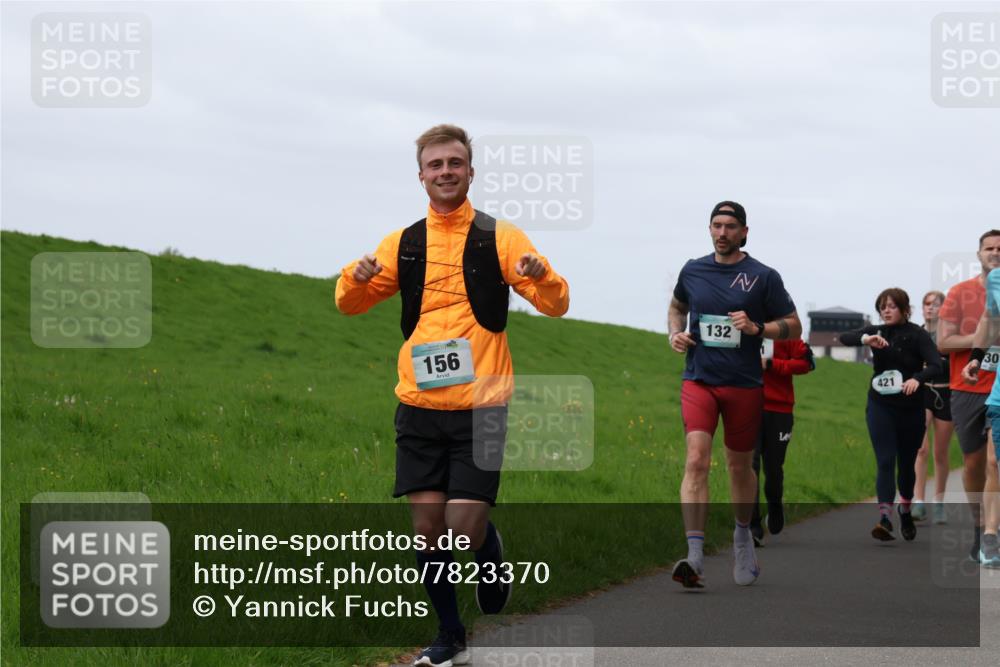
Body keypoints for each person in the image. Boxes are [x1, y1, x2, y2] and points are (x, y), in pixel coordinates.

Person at [335, 124, 570, 666]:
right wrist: (357, 274)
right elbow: (350, 303)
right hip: (418, 406)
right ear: (421, 175)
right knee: (427, 530)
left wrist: (542, 274)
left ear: (470, 171)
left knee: (463, 529)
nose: (446, 171)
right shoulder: (403, 242)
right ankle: (449, 635)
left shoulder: (500, 237)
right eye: (435, 164)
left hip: (482, 406)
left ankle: (492, 552)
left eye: (455, 163)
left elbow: (555, 303)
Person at [668, 200, 801, 588]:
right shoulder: (693, 269)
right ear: (709, 229)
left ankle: (743, 536)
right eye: (716, 225)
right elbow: (677, 305)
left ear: (744, 232)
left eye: (730, 226)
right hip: (699, 380)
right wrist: (675, 333)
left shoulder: (763, 276)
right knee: (695, 460)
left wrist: (758, 328)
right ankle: (694, 555)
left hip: (743, 384)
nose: (722, 232)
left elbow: (793, 325)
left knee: (740, 467)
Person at [840, 289, 942, 541]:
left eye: (892, 306)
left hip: (910, 409)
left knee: (906, 466)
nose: (886, 310)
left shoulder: (918, 335)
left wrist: (917, 379)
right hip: (880, 405)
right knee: (885, 460)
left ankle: (905, 510)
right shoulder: (877, 332)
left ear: (905, 309)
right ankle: (884, 519)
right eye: (882, 306)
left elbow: (938, 365)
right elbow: (844, 337)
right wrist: (866, 340)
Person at [938, 230, 1000, 565]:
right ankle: (979, 526)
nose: (995, 253)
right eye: (989, 248)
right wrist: (980, 342)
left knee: (995, 462)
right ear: (979, 255)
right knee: (975, 463)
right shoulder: (960, 293)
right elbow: (943, 343)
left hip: (998, 389)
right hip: (967, 388)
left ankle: (991, 533)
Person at [749, 337, 816, 547]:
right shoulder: (741, 325)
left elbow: (807, 364)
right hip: (747, 405)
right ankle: (752, 525)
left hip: (780, 409)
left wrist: (771, 364)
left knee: (773, 468)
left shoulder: (786, 332)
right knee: (750, 466)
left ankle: (775, 505)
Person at [959, 266, 1000, 567]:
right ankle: (990, 536)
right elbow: (990, 319)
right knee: (994, 462)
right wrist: (976, 357)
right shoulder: (996, 278)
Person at [912, 290, 954, 524]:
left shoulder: (950, 335)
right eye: (926, 304)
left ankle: (939, 502)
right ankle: (919, 501)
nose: (930, 308)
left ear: (943, 308)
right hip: (924, 391)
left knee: (940, 452)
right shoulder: (917, 334)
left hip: (947, 392)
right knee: (920, 449)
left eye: (935, 304)